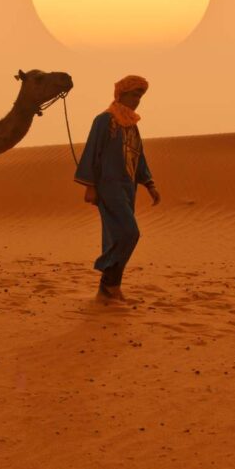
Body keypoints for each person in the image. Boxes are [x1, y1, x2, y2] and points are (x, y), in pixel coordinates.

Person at [75, 75, 161, 301]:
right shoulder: (104, 120)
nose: (137, 100)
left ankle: (111, 288)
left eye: (140, 96)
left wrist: (149, 184)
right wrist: (90, 186)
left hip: (127, 188)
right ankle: (107, 276)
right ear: (121, 94)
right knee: (129, 233)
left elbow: (137, 155)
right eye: (134, 94)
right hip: (108, 187)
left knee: (117, 235)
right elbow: (92, 152)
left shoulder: (131, 124)